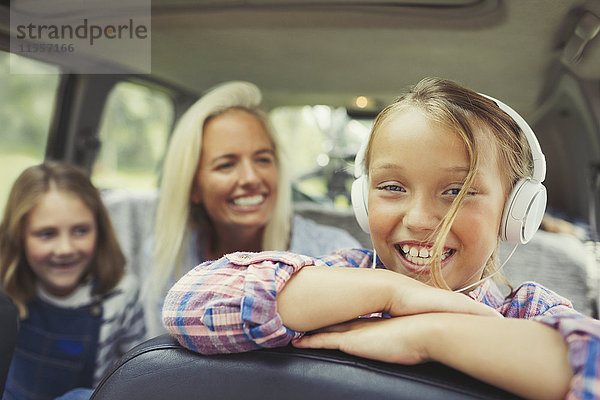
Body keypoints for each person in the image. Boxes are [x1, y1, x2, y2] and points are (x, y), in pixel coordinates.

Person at [162, 78, 600, 400]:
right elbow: (187, 305)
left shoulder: (526, 313)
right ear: (363, 199)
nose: (420, 218)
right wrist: (392, 291)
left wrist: (429, 336)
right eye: (392, 187)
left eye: (457, 192)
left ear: (514, 211)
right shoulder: (342, 279)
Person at [144, 81, 360, 336]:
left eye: (262, 159)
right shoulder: (168, 256)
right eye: (226, 165)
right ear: (192, 187)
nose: (251, 178)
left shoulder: (333, 254)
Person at [0, 161, 145, 400]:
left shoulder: (121, 293)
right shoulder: (6, 287)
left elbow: (136, 376)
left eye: (80, 231)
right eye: (47, 234)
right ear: (18, 236)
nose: (65, 249)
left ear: (99, 230)